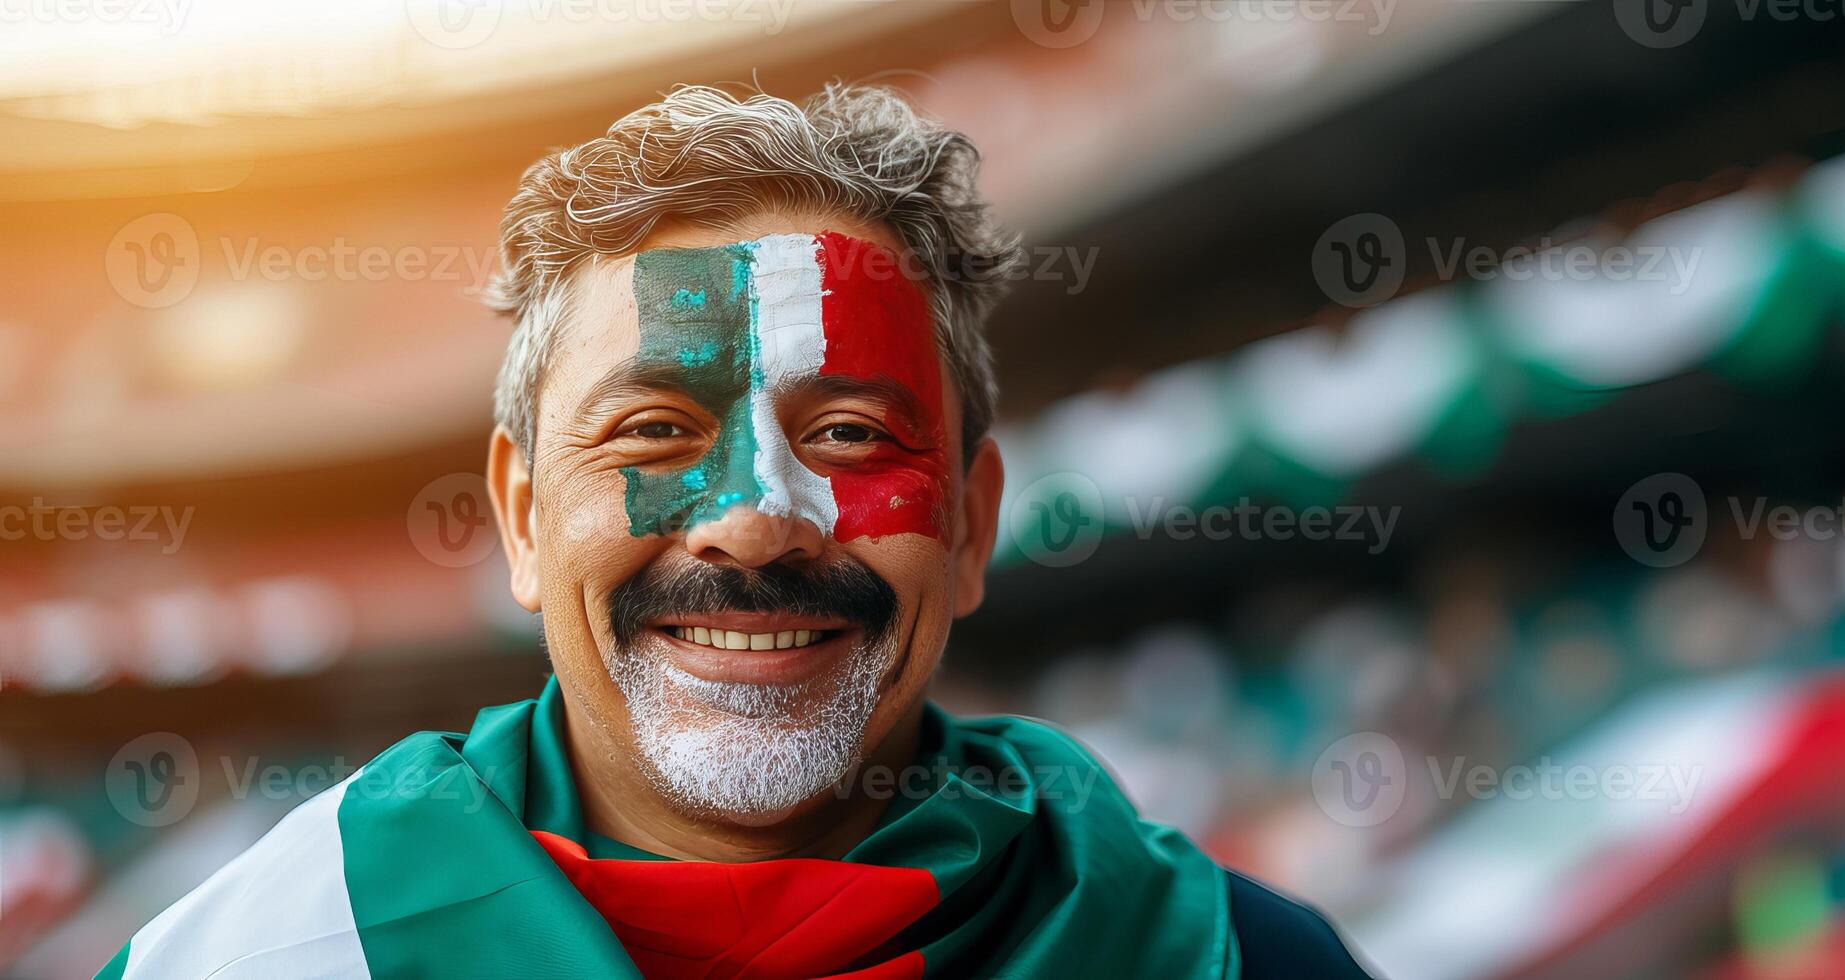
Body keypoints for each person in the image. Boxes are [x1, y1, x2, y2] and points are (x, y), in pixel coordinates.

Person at [99, 84, 1368, 979]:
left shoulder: (1226, 956)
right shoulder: (273, 950)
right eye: (652, 431)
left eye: (854, 436)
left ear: (971, 525)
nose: (755, 522)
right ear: (527, 519)